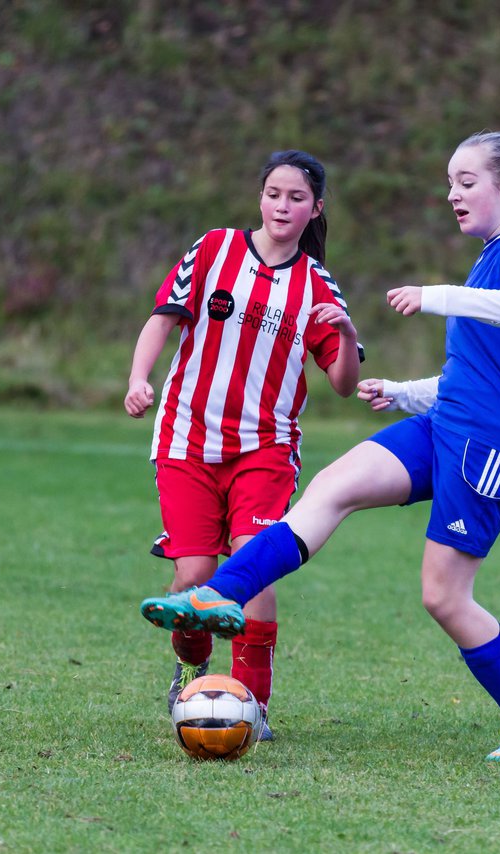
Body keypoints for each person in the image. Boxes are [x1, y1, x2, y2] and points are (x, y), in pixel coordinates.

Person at [140, 131, 500, 762]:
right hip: (449, 425)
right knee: (333, 486)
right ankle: (219, 593)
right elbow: (481, 374)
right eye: (449, 183)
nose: (453, 195)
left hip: (492, 447)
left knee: (444, 596)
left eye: (465, 183)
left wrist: (433, 297)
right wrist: (407, 392)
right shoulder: (493, 252)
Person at [125, 149, 362, 740]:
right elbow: (162, 317)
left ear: (316, 209)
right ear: (260, 197)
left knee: (253, 570)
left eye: (297, 198)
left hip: (265, 448)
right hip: (187, 437)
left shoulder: (317, 286)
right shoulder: (212, 249)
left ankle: (254, 707)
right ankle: (191, 669)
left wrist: (350, 336)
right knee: (192, 579)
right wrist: (138, 378)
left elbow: (342, 384)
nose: (283, 206)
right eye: (274, 194)